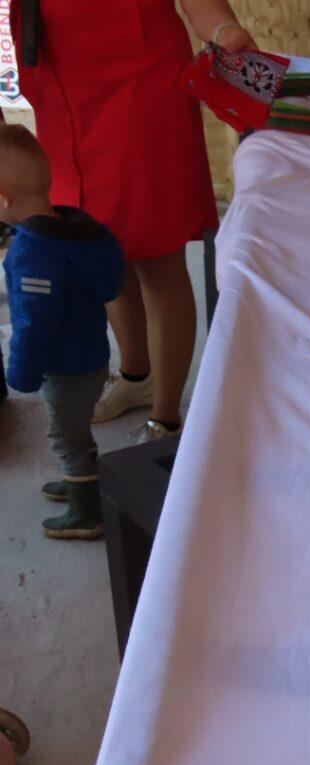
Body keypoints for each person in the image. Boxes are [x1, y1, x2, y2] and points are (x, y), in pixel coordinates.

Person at [11, 1, 257, 443]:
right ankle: (135, 375)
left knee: (157, 254)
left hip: (141, 84)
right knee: (100, 243)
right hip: (60, 87)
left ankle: (166, 417)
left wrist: (222, 29)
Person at [1, 124, 125, 538]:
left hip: (66, 368)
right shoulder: (78, 232)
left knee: (65, 435)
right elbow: (111, 283)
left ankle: (86, 514)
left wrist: (21, 374)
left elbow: (33, 321)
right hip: (92, 358)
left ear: (3, 198)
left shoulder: (33, 253)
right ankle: (82, 481)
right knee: (76, 427)